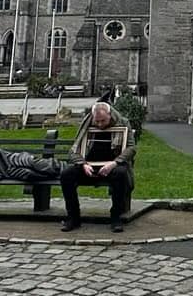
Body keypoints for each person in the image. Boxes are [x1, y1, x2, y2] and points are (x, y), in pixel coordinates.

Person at [58, 100, 136, 233]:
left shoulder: (123, 123)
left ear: (110, 115)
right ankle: (73, 218)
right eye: (97, 121)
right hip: (88, 166)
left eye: (103, 121)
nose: (100, 124)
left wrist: (114, 163)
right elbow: (73, 150)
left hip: (112, 166)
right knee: (67, 174)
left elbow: (131, 148)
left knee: (120, 173)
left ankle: (116, 217)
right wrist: (83, 164)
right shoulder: (87, 124)